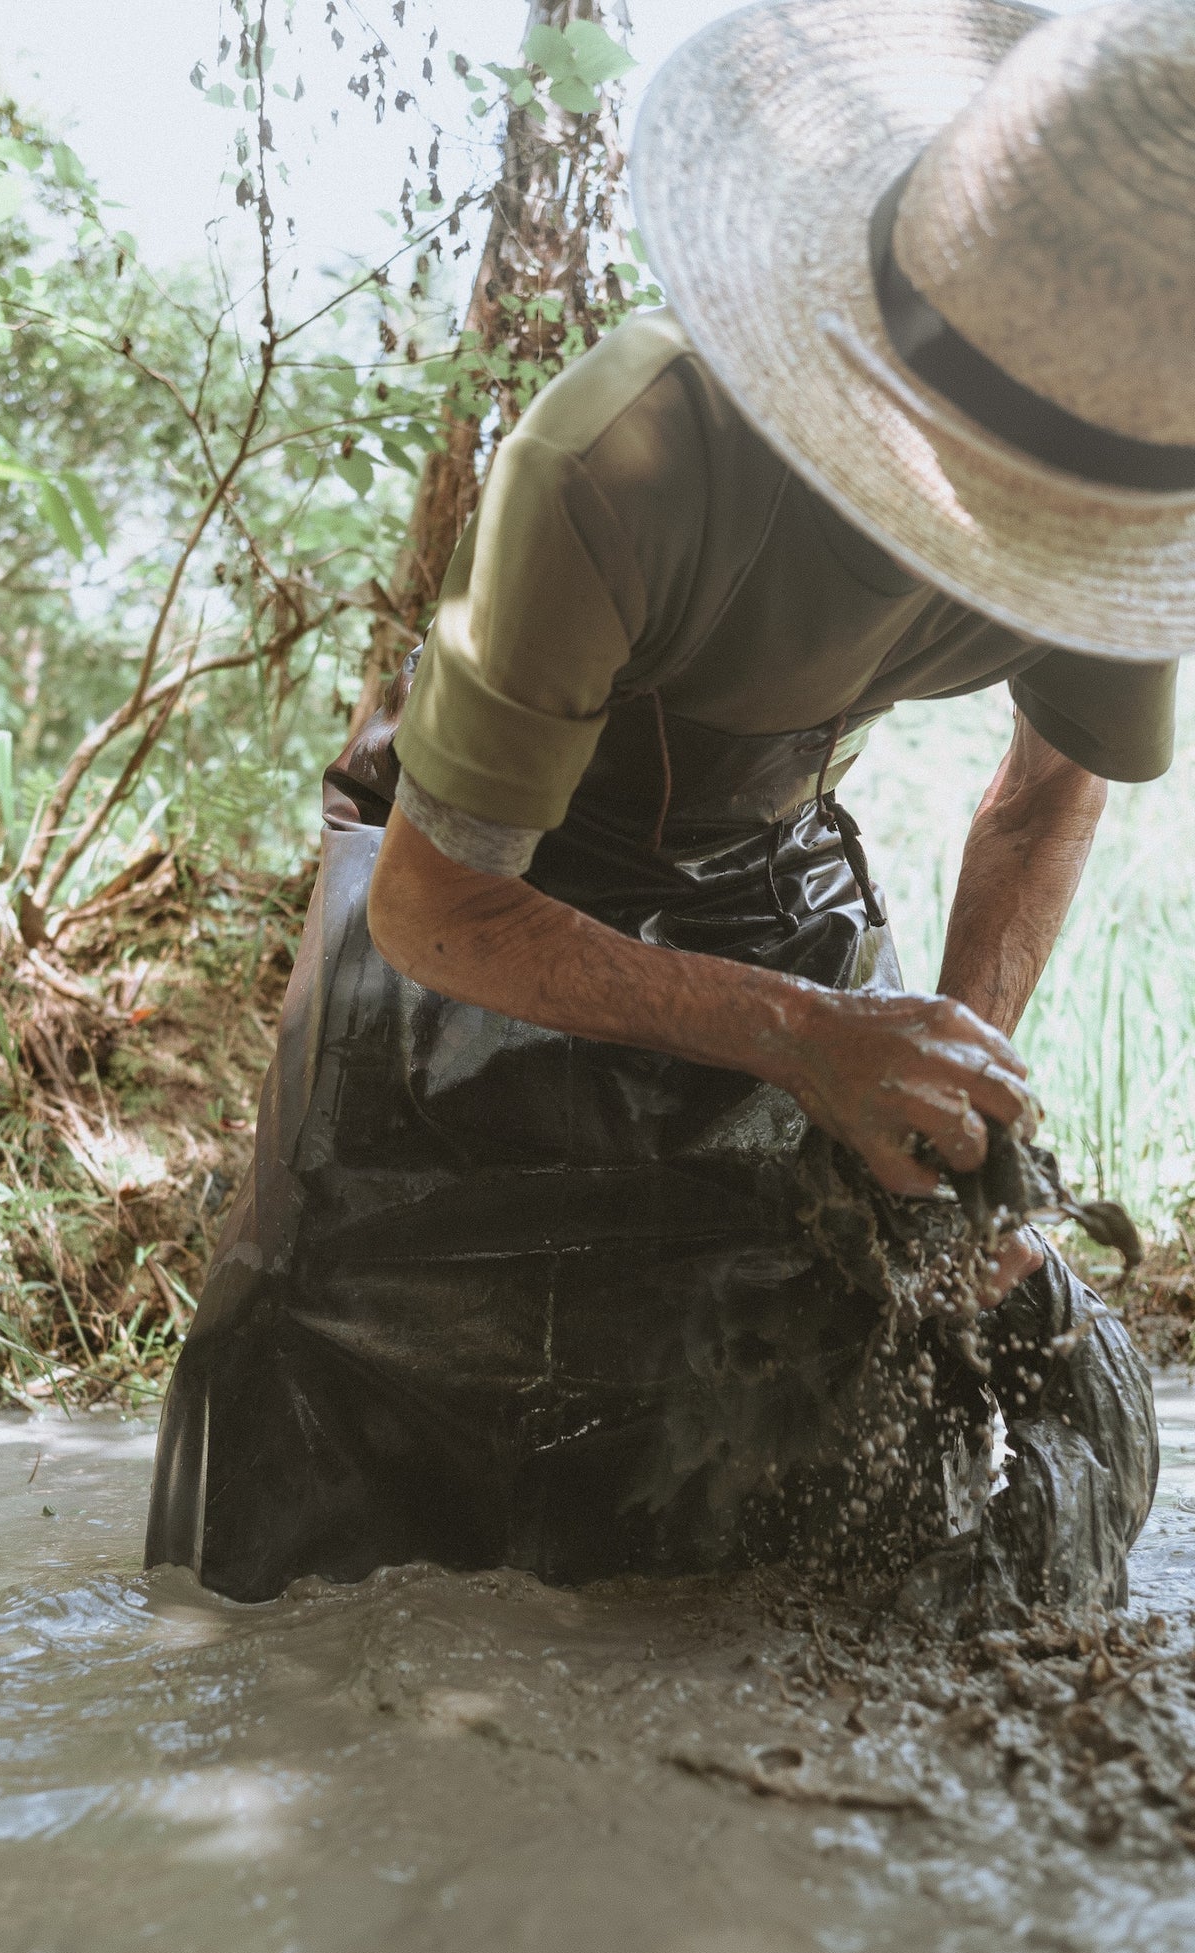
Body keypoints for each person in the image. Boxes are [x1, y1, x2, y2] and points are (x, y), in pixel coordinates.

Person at [148, 0, 1188, 1612]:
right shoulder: (627, 455)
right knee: (346, 1351)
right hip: (481, 868)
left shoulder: (1131, 473)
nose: (1021, 551)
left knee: (810, 1365)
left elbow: (1047, 805)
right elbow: (440, 906)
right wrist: (801, 1037)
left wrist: (960, 1107)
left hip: (762, 862)